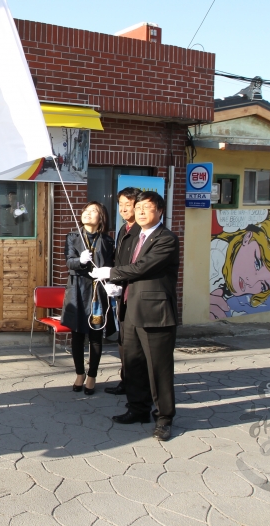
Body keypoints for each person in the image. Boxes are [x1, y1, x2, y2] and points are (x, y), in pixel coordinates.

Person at [90, 191, 179, 441]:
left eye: (147, 207)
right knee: (132, 364)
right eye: (138, 207)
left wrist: (112, 272)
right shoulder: (132, 236)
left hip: (155, 313)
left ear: (160, 211)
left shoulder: (166, 238)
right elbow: (126, 266)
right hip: (128, 309)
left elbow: (142, 267)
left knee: (158, 368)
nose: (140, 211)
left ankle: (164, 417)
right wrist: (116, 285)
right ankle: (138, 409)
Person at [61, 201, 114, 395]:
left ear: (101, 218)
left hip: (97, 292)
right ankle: (79, 373)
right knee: (77, 335)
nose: (88, 214)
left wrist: (107, 276)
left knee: (95, 335)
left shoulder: (107, 241)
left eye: (94, 211)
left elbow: (109, 265)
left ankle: (92, 375)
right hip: (77, 291)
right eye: (86, 211)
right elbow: (69, 262)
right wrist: (80, 261)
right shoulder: (73, 237)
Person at [210, 210, 270, 319]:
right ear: (247, 237)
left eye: (263, 285)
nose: (251, 283)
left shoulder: (227, 291)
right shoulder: (215, 253)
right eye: (257, 263)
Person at [104, 187, 141, 396]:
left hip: (136, 294)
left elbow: (136, 265)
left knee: (134, 344)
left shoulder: (141, 232)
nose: (124, 209)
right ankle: (125, 381)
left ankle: (136, 386)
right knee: (123, 341)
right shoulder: (123, 230)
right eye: (121, 205)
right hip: (122, 294)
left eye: (129, 204)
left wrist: (117, 276)